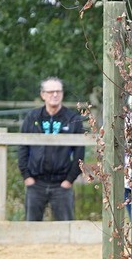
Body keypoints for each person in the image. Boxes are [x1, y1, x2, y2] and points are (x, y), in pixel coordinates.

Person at [18, 77, 86, 221]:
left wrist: (69, 180)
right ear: (43, 95)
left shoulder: (73, 118)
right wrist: (26, 176)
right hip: (35, 182)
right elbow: (22, 147)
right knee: (31, 229)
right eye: (50, 92)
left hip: (62, 184)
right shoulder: (32, 117)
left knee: (67, 230)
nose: (55, 95)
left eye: (58, 91)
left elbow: (80, 152)